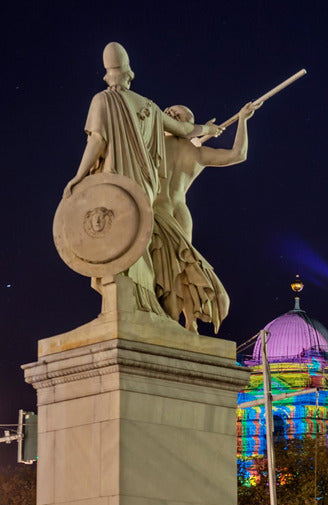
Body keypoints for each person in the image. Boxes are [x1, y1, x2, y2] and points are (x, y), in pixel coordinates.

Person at [64, 43, 221, 307]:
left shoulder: (101, 100)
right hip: (144, 187)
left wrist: (78, 176)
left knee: (116, 241)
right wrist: (207, 128)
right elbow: (184, 129)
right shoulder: (147, 105)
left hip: (116, 184)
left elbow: (97, 142)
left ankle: (127, 304)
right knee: (138, 243)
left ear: (107, 75)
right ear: (129, 75)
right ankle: (144, 301)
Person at [151, 101, 257, 330]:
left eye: (172, 114)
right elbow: (238, 154)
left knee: (163, 268)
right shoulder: (196, 153)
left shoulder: (153, 145)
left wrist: (204, 129)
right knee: (183, 268)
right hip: (180, 211)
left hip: (158, 209)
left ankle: (168, 317)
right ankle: (190, 321)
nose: (167, 114)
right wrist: (242, 120)